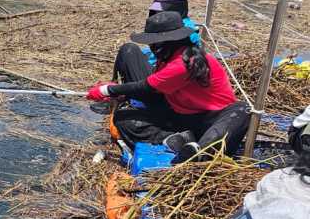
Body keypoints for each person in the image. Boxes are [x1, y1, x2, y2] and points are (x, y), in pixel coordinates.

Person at [86, 10, 250, 163]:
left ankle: (201, 152)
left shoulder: (185, 62)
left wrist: (106, 90)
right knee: (123, 119)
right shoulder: (167, 57)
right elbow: (155, 86)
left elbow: (146, 86)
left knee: (243, 110)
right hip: (179, 114)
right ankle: (175, 139)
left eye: (155, 45)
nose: (152, 49)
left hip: (210, 118)